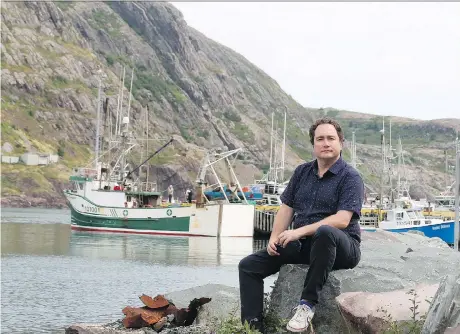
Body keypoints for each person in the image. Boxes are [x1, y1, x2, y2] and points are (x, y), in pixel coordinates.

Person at [238, 118, 364, 333]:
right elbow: (287, 207)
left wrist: (298, 231)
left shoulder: (350, 177)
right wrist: (275, 236)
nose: (326, 143)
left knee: (325, 232)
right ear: (313, 144)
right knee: (248, 266)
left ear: (341, 143)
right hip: (306, 246)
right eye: (320, 139)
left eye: (331, 138)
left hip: (342, 247)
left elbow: (342, 220)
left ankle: (307, 305)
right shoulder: (302, 172)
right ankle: (253, 328)